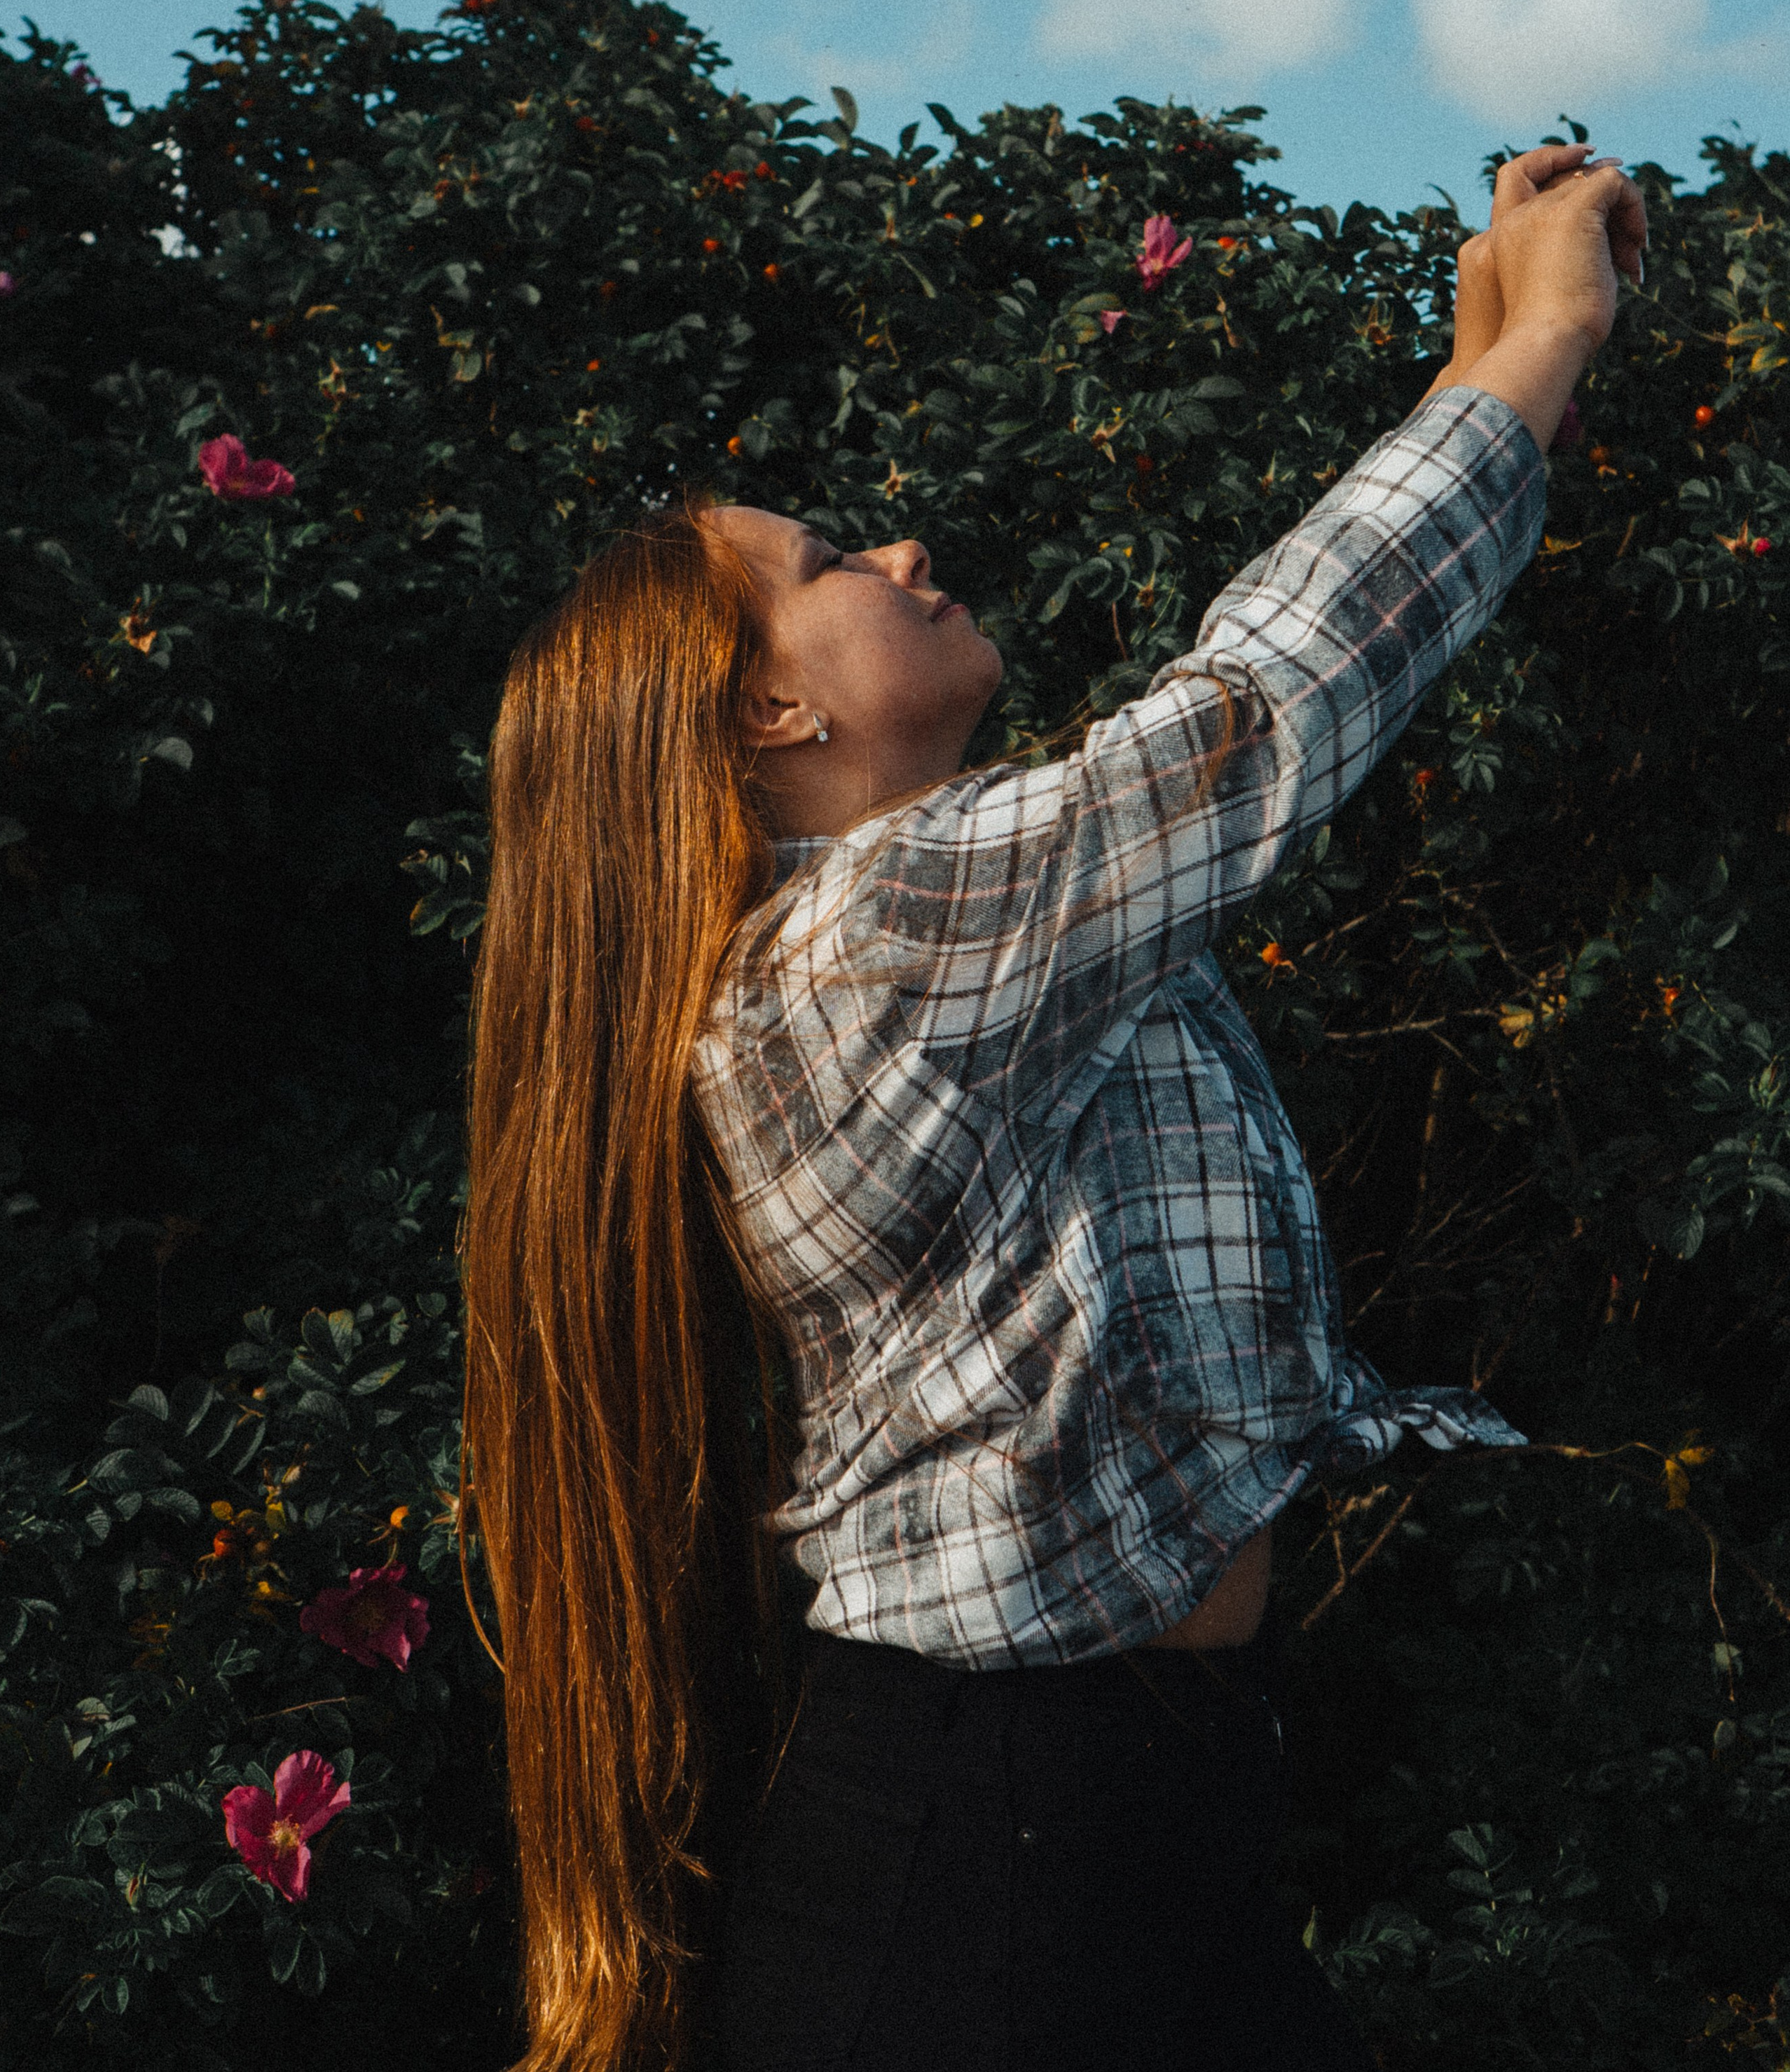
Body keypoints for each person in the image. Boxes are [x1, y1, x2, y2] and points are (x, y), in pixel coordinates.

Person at [460, 144, 1646, 2072]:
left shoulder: (952, 934)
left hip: (1117, 1827)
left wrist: (1488, 365)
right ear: (768, 719)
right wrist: (1543, 348)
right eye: (832, 567)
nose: (904, 551)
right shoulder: (872, 948)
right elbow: (1269, 707)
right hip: (995, 1883)